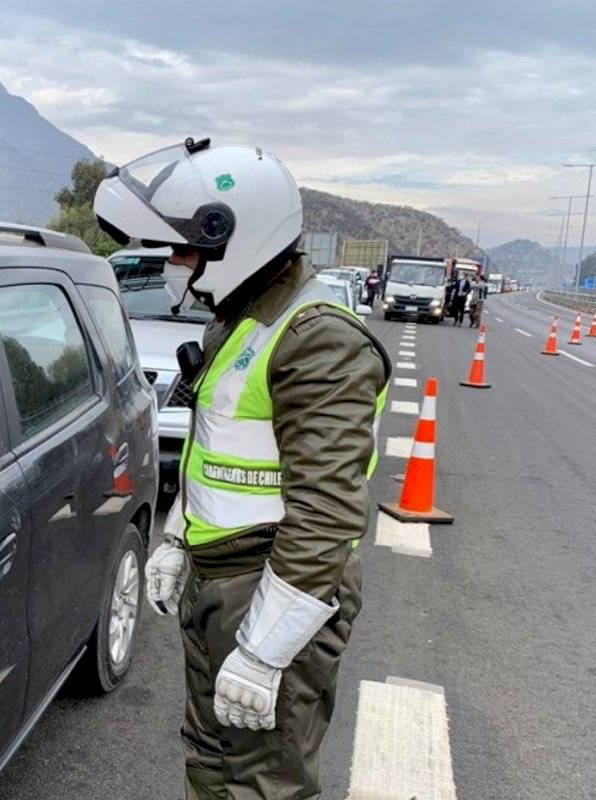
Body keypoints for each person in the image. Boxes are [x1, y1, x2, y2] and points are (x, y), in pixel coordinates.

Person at [95, 139, 390, 799]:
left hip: (273, 586)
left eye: (184, 250)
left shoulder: (317, 340)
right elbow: (214, 455)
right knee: (214, 758)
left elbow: (327, 514)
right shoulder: (241, 322)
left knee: (263, 782)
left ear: (237, 239)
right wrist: (176, 539)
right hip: (221, 577)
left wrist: (263, 651)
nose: (173, 265)